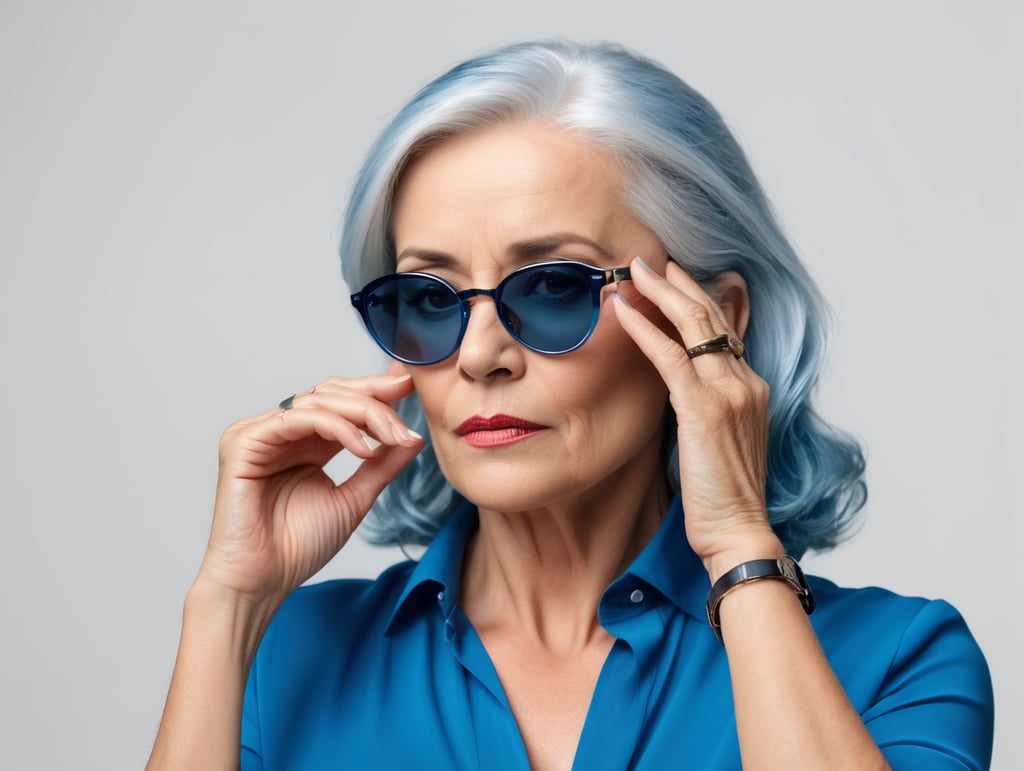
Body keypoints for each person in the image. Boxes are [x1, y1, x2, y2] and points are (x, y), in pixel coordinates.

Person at [146, 40, 994, 770]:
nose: (479, 354)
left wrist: (739, 539)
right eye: (431, 298)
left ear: (712, 321)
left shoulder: (897, 661)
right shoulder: (283, 658)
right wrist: (228, 603)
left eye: (553, 286)